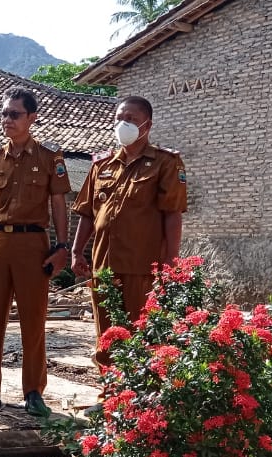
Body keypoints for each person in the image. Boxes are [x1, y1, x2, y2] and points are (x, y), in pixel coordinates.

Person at [0, 88, 71, 417]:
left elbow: (58, 204)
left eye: (14, 114)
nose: (7, 119)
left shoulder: (49, 158)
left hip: (32, 243)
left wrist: (62, 246)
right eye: (4, 113)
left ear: (32, 118)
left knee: (32, 319)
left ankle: (33, 391)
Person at [71, 96, 186, 372]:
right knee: (107, 334)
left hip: (142, 266)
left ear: (147, 125)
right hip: (104, 265)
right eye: (120, 118)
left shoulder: (166, 162)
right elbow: (87, 213)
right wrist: (76, 251)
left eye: (131, 119)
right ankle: (110, 389)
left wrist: (171, 260)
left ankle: (140, 392)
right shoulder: (101, 165)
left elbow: (172, 213)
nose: (124, 124)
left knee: (141, 333)